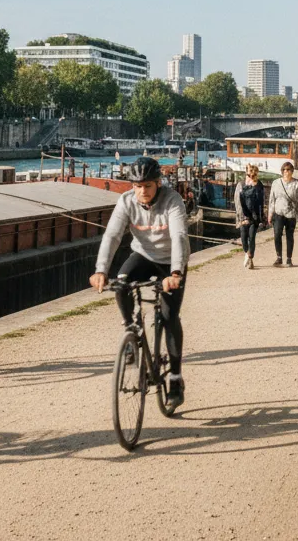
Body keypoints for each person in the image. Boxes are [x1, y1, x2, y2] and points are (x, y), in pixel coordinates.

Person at [91, 156, 189, 411]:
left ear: (158, 183)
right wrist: (101, 270)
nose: (142, 191)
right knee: (121, 282)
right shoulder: (126, 202)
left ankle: (176, 379)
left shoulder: (172, 200)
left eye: (147, 186)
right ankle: (131, 332)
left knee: (169, 317)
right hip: (143, 256)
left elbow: (179, 236)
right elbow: (112, 235)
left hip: (171, 262)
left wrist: (176, 273)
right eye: (137, 186)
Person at [267, 161, 298, 266]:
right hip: (278, 212)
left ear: (292, 171)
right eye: (284, 170)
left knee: (289, 236)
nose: (286, 172)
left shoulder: (297, 184)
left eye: (288, 170)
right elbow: (272, 200)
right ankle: (279, 257)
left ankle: (289, 258)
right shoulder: (276, 183)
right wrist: (270, 214)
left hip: (291, 213)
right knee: (277, 234)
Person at [234, 165, 265, 269]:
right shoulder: (241, 185)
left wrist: (261, 217)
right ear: (245, 174)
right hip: (243, 216)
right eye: (248, 175)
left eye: (252, 175)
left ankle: (250, 257)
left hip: (254, 217)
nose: (250, 177)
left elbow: (261, 202)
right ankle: (247, 253)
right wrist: (241, 218)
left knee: (252, 237)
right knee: (243, 238)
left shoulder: (259, 185)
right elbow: (237, 202)